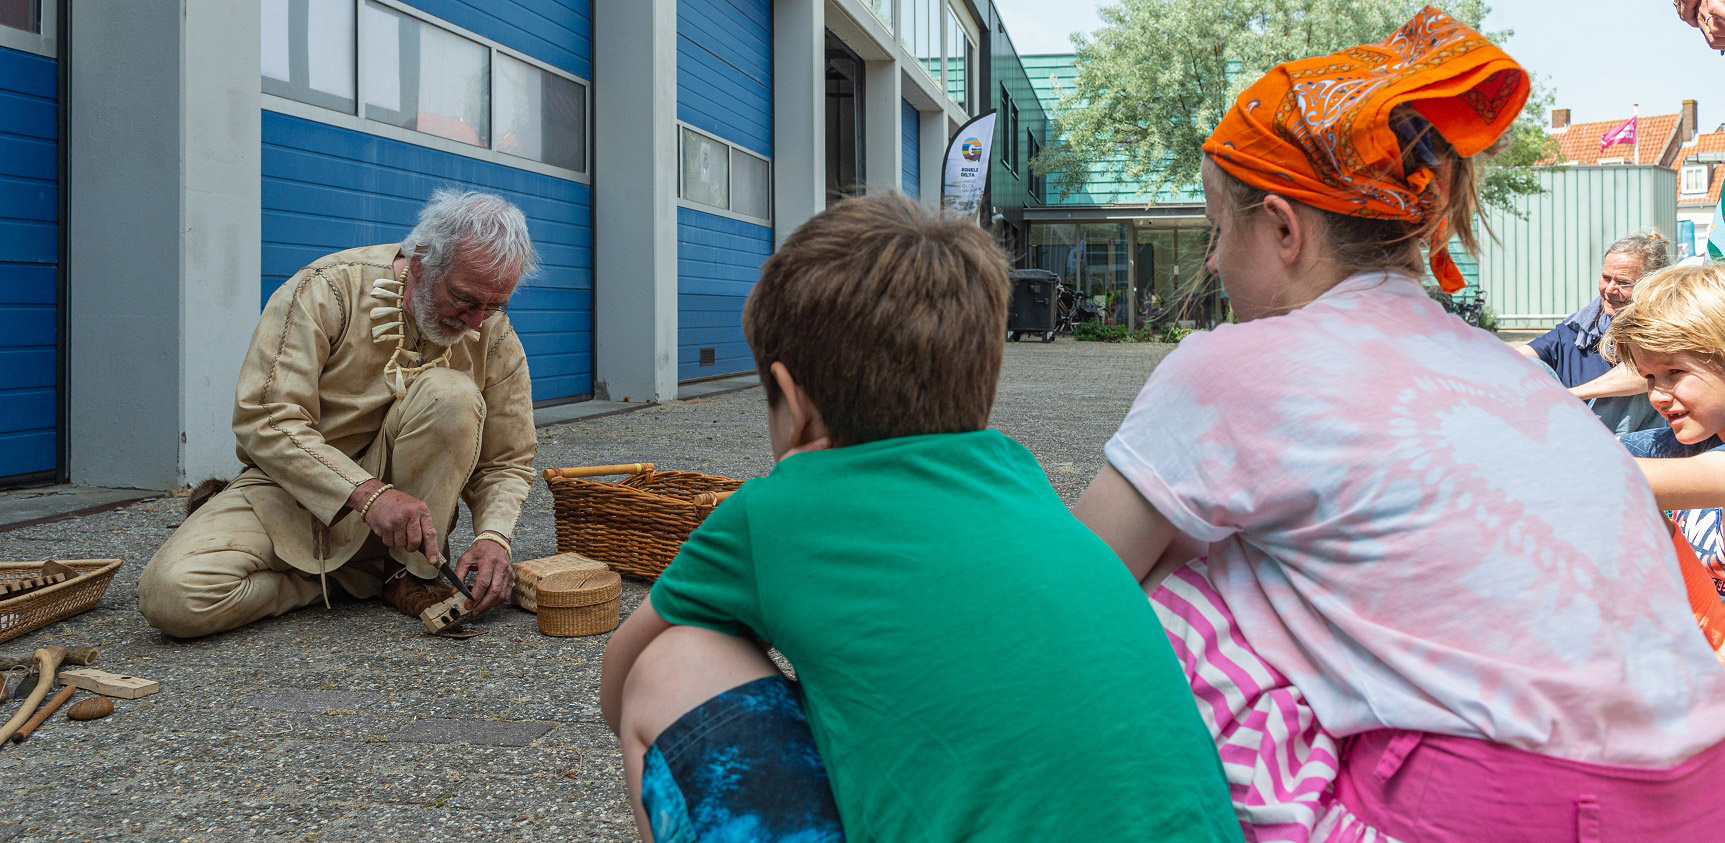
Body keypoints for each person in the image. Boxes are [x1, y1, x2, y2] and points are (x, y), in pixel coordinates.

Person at [1073, 8, 1725, 840]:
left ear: (1280, 227)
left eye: (1215, 230)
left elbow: (1078, 589)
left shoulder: (1230, 362)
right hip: (1695, 792)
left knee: (1196, 584)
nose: (1208, 261)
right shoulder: (1492, 365)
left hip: (1505, 807)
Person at [599, 193, 1242, 843]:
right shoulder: (1022, 482)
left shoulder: (775, 512)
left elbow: (621, 676)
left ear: (793, 402)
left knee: (672, 661)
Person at [137, 189, 538, 638]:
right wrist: (368, 495)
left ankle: (404, 574)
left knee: (452, 394)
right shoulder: (328, 289)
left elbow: (508, 460)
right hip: (293, 495)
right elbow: (265, 417)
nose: (476, 321)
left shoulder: (492, 332)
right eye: (465, 299)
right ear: (421, 261)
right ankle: (341, 581)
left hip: (402, 538)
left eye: (495, 305)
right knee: (173, 597)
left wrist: (493, 538)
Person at [1607, 262, 1725, 591]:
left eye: (1674, 372)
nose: (1657, 396)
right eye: (1649, 378)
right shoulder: (1685, 444)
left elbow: (1607, 476)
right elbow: (1606, 453)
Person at [1517, 232, 1671, 434]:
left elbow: (1645, 371)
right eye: (1606, 278)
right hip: (1569, 426)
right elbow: (1520, 356)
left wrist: (1570, 395)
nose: (1609, 290)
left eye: (1623, 282)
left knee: (1626, 392)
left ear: (1653, 284)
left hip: (1627, 445)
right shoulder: (1584, 325)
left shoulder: (1669, 326)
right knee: (1526, 365)